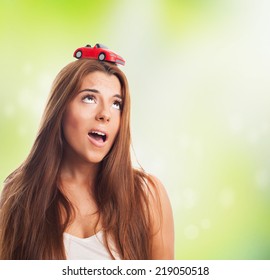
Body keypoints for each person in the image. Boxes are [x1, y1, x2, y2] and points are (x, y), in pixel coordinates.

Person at [0, 50, 174, 259]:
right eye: (90, 98)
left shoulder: (147, 195)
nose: (105, 114)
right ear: (60, 108)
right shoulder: (20, 196)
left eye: (116, 104)